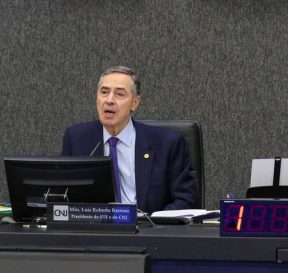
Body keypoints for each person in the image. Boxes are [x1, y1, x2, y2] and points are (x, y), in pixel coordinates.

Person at [62, 66, 199, 213]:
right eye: (104, 92)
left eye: (119, 94)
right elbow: (63, 195)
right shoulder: (76, 139)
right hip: (95, 231)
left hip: (148, 231)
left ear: (135, 103)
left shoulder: (167, 143)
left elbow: (186, 199)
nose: (109, 100)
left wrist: (153, 224)